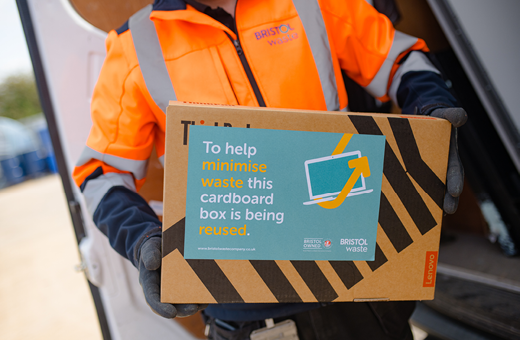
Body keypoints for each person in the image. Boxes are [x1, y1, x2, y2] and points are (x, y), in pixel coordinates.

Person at [72, 0, 467, 339]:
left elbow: (401, 59)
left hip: (356, 280)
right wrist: (143, 241)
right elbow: (100, 174)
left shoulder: (312, 3)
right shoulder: (135, 44)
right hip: (245, 312)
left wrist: (432, 121)